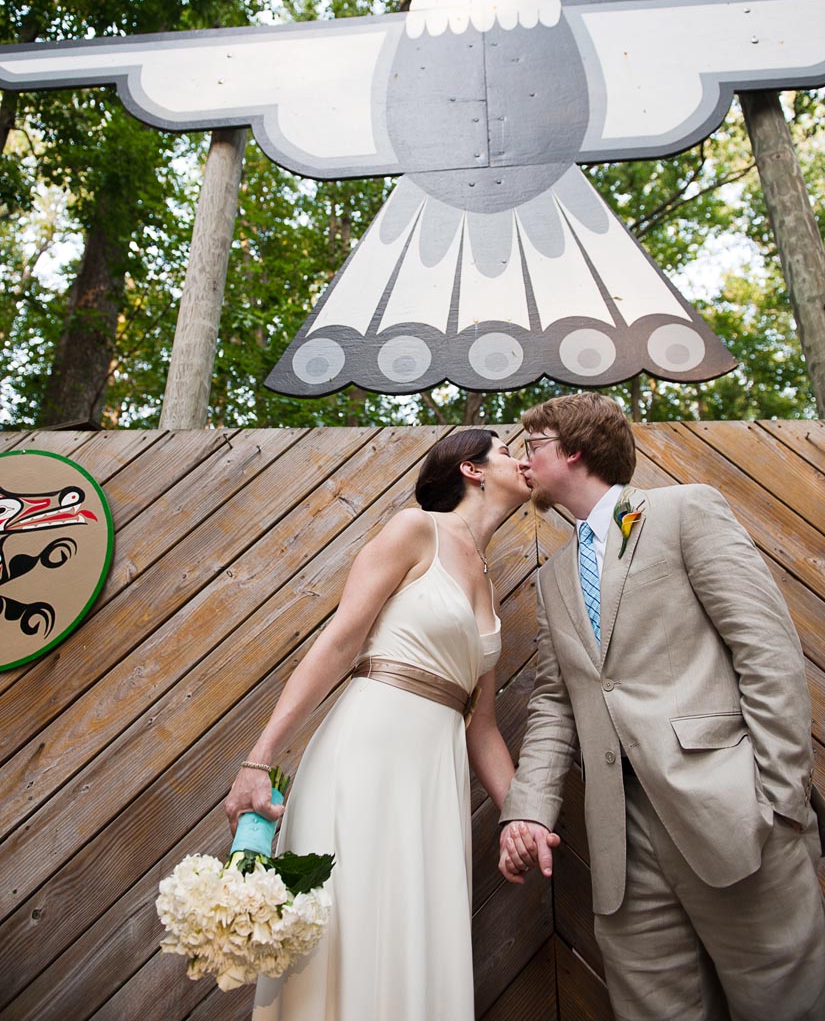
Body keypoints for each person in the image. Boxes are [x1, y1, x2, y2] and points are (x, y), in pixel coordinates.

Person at [499, 392, 825, 1021]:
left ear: (572, 449)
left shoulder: (683, 511)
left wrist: (780, 800)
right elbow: (554, 702)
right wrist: (530, 810)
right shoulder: (557, 574)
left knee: (786, 1006)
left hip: (734, 816)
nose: (522, 458)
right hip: (620, 843)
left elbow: (767, 650)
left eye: (531, 443)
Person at [226, 428, 530, 1020]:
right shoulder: (414, 530)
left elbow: (484, 726)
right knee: (348, 929)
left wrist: (522, 815)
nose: (523, 460)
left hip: (432, 785)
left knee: (414, 939)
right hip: (364, 757)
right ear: (471, 469)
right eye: (507, 450)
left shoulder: (492, 588)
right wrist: (259, 760)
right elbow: (339, 643)